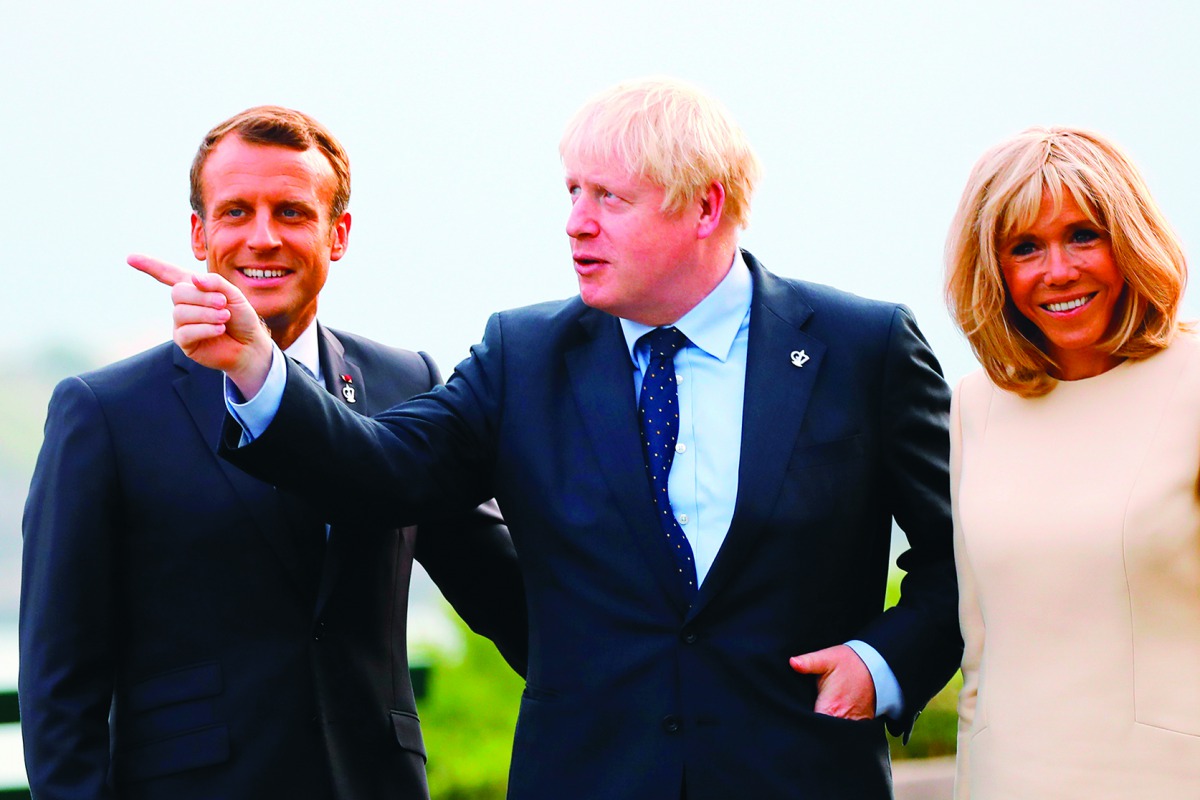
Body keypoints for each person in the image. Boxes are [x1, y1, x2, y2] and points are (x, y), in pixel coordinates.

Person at [137, 78, 962, 799]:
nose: (575, 224)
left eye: (608, 197)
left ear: (705, 205)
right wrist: (256, 370)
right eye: (570, 192)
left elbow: (964, 556)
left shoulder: (864, 350)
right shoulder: (522, 356)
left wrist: (885, 663)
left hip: (803, 778)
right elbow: (379, 471)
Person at [21, 106, 527, 800]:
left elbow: (501, 590)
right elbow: (59, 678)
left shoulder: (405, 382)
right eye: (236, 212)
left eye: (291, 212)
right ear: (200, 234)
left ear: (337, 233)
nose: (263, 238)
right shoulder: (102, 412)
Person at [945, 126, 1200, 798]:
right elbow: (980, 650)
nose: (1057, 271)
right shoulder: (975, 405)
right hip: (1013, 779)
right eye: (1024, 247)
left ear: (1130, 239)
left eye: (1083, 235)